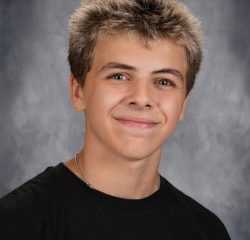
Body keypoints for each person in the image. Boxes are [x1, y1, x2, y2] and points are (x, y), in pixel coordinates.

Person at [0, 0, 231, 239]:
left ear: (183, 103)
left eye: (164, 81)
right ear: (78, 91)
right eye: (119, 76)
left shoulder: (206, 231)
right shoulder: (16, 223)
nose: (142, 99)